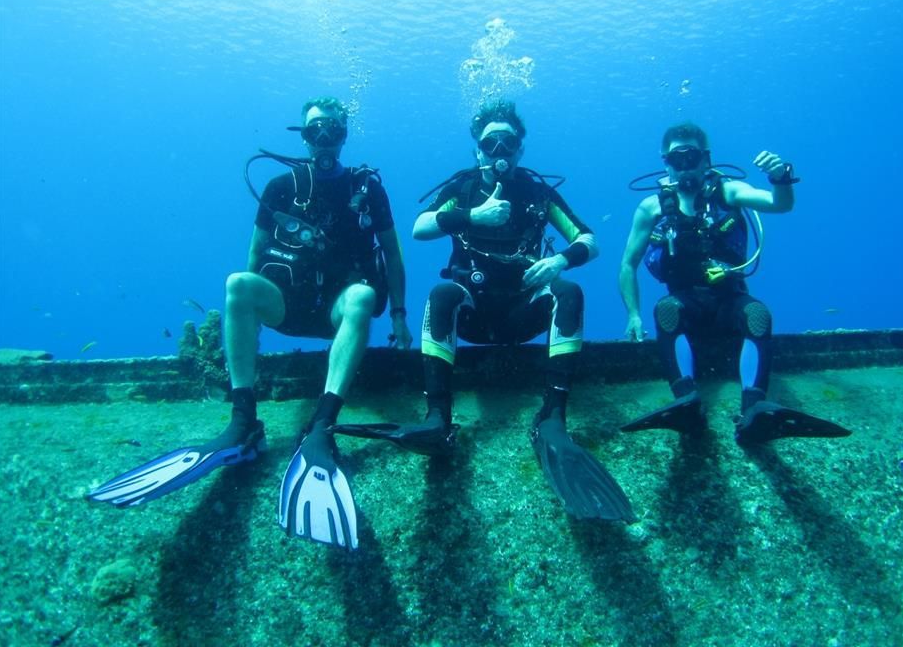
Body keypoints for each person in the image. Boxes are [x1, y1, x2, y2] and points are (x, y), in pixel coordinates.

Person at [88, 98, 413, 550]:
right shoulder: (282, 186)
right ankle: (243, 422)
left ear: (343, 135)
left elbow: (392, 255)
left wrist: (398, 314)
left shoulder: (367, 190)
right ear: (302, 136)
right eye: (314, 129)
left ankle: (323, 425)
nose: (323, 138)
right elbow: (255, 256)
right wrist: (250, 319)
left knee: (362, 295)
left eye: (332, 130)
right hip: (291, 306)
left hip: (340, 309)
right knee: (238, 284)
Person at [332, 100, 634, 522]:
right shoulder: (463, 188)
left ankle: (552, 419)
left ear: (520, 149)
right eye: (490, 144)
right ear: (477, 150)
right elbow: (420, 228)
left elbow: (590, 238)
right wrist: (474, 215)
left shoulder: (536, 192)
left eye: (507, 143)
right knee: (441, 294)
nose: (499, 152)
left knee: (569, 292)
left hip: (523, 311)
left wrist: (560, 260)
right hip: (473, 312)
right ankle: (438, 416)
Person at [618, 122, 849, 443]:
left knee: (758, 314)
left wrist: (780, 176)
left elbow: (780, 204)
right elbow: (628, 265)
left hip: (730, 301)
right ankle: (686, 402)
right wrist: (633, 314)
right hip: (685, 304)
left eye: (692, 156)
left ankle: (754, 409)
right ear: (665, 162)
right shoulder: (652, 208)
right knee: (666, 310)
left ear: (706, 159)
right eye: (676, 158)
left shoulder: (728, 192)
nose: (685, 165)